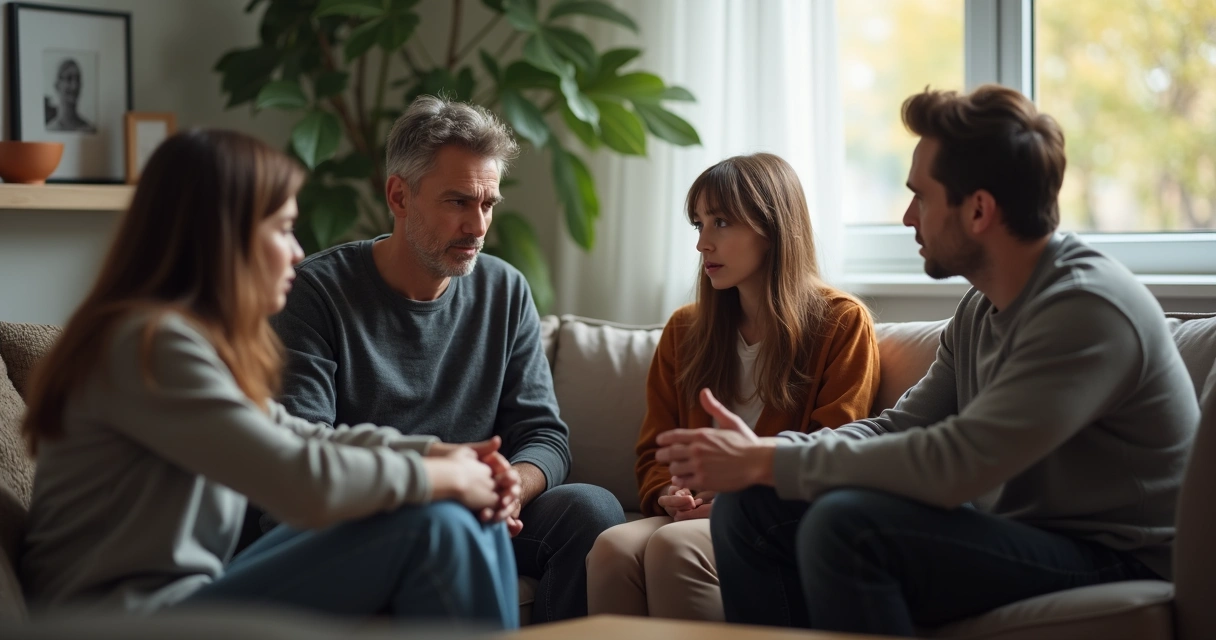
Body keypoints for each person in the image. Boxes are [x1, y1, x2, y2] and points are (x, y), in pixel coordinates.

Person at [658, 85, 1199, 636]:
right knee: (749, 507)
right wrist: (763, 455)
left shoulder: (1086, 308)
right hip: (1023, 535)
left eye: (921, 196)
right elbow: (901, 427)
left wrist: (768, 462)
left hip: (1114, 554)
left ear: (979, 210)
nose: (906, 216)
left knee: (849, 528)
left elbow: (955, 463)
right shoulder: (981, 307)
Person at [19, 129, 520, 629]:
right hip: (117, 621)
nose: (299, 252)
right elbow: (300, 479)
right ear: (223, 236)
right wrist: (450, 477)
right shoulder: (148, 346)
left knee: (469, 511)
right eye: (283, 229)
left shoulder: (187, 340)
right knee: (431, 523)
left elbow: (298, 434)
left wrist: (440, 454)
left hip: (184, 599)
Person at [250, 95, 625, 623]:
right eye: (457, 202)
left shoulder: (506, 290)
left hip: (477, 503)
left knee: (592, 508)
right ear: (399, 196)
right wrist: (444, 482)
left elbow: (544, 434)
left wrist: (513, 486)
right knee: (435, 525)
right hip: (370, 516)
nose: (477, 226)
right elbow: (300, 452)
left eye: (488, 204)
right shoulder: (314, 292)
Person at [585, 153, 880, 621]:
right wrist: (667, 494)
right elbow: (654, 450)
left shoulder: (841, 322)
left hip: (773, 515)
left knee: (672, 546)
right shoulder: (685, 330)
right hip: (693, 512)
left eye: (720, 222)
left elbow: (834, 446)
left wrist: (737, 500)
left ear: (773, 228)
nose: (703, 243)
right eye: (698, 224)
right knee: (610, 548)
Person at [45, 58, 94, 133]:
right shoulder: (49, 130)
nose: (74, 86)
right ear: (57, 85)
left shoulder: (89, 130)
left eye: (77, 79)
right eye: (69, 78)